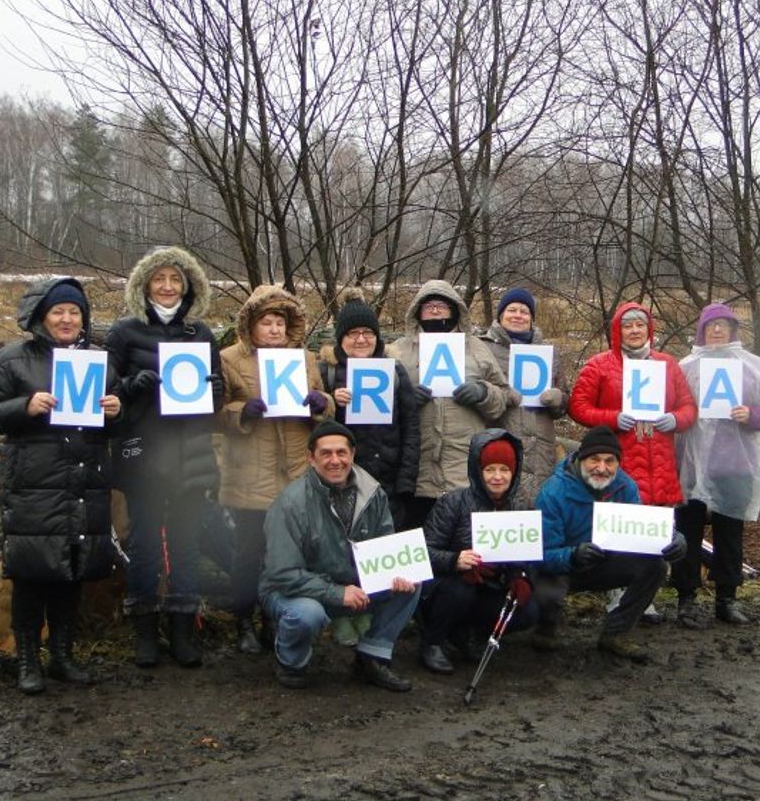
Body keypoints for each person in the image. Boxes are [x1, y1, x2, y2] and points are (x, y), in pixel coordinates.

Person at [0, 277, 121, 694]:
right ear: (42, 316)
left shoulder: (99, 361)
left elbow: (117, 425)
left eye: (74, 312)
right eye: (59, 311)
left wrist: (117, 409)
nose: (67, 318)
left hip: (83, 480)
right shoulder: (13, 359)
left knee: (72, 572)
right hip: (34, 483)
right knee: (32, 575)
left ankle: (62, 655)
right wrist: (26, 406)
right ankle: (28, 660)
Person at [106, 246, 223, 669]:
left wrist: (210, 390)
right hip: (144, 454)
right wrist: (133, 387)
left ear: (189, 286)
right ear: (145, 284)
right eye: (160, 279)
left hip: (190, 454)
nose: (169, 287)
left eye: (176, 280)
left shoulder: (201, 335)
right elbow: (106, 395)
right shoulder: (124, 332)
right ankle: (144, 629)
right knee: (144, 544)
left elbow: (218, 396)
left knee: (186, 543)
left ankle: (181, 629)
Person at [259, 420, 421, 691]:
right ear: (311, 458)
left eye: (341, 452)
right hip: (294, 592)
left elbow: (385, 547)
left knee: (412, 582)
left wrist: (395, 574)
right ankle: (291, 661)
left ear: (352, 454)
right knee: (306, 615)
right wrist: (336, 592)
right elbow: (281, 573)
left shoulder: (373, 493)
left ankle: (371, 657)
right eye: (326, 453)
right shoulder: (290, 502)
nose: (335, 461)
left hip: (353, 587)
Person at [218, 284, 332, 654]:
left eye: (280, 323)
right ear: (251, 325)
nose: (274, 330)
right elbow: (214, 413)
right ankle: (243, 622)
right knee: (248, 554)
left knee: (285, 556)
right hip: (250, 472)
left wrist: (321, 402)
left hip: (294, 473)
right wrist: (241, 412)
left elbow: (324, 406)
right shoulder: (229, 359)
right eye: (266, 322)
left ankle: (274, 618)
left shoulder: (305, 359)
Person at [568, 301, 697, 622]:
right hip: (619, 462)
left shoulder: (667, 365)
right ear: (617, 330)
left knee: (653, 532)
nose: (635, 330)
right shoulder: (600, 365)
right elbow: (578, 406)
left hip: (660, 463)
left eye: (641, 325)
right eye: (628, 325)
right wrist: (613, 418)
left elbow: (689, 408)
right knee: (620, 530)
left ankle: (645, 597)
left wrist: (674, 419)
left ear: (649, 329)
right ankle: (617, 595)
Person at [532, 426, 686, 663]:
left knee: (655, 566)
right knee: (544, 585)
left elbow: (644, 532)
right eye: (594, 459)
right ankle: (546, 626)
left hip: (604, 564)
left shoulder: (625, 487)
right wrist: (572, 555)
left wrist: (673, 539)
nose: (602, 468)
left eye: (609, 461)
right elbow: (540, 554)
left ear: (617, 463)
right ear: (582, 459)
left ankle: (616, 633)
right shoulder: (553, 493)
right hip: (563, 567)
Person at [674, 303, 760, 627]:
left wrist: (751, 415)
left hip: (734, 464)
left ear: (733, 330)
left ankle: (726, 599)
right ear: (702, 330)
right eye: (712, 325)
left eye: (724, 325)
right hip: (692, 466)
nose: (718, 330)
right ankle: (686, 599)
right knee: (687, 532)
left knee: (730, 534)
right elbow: (671, 406)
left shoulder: (751, 366)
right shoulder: (686, 367)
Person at [390, 280, 511, 528]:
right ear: (417, 311)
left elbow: (505, 397)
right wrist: (405, 398)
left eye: (442, 305)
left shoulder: (477, 348)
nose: (435, 311)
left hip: (464, 473)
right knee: (422, 553)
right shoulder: (398, 351)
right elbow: (378, 405)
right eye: (429, 306)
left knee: (463, 553)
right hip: (416, 475)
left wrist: (483, 393)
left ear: (455, 310)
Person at [419, 429, 539, 674]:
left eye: (504, 470)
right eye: (490, 470)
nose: (497, 477)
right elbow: (424, 552)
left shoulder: (520, 505)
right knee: (460, 590)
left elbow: (523, 556)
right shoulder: (453, 502)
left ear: (514, 472)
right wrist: (455, 560)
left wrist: (519, 578)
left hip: (491, 585)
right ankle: (432, 641)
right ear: (478, 471)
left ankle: (470, 634)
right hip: (448, 585)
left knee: (528, 610)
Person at [318, 288, 420, 529]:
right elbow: (312, 426)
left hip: (388, 484)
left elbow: (411, 429)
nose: (361, 339)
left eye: (367, 333)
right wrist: (331, 402)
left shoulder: (394, 370)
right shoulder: (327, 372)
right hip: (339, 480)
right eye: (353, 333)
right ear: (340, 339)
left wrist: (406, 483)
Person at [479, 288, 568, 507]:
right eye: (512, 310)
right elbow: (474, 392)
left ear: (532, 319)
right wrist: (499, 395)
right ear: (500, 316)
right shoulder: (482, 348)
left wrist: (559, 399)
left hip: (541, 449)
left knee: (537, 507)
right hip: (499, 441)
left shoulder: (549, 353)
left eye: (524, 311)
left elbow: (565, 401)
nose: (518, 315)